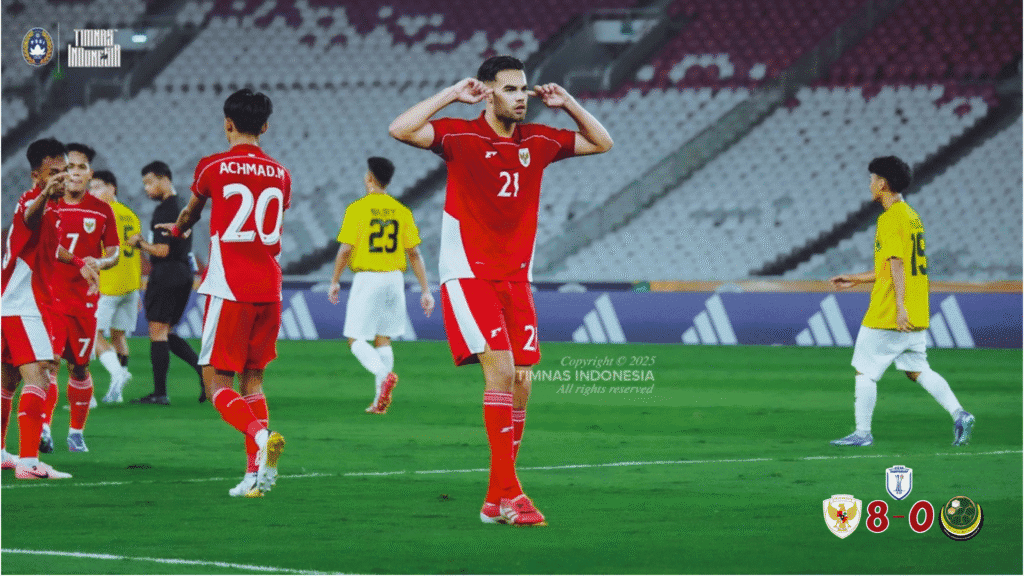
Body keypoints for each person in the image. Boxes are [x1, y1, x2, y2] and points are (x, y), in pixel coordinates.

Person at [389, 55, 613, 525]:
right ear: (487, 92)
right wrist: (452, 94)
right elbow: (401, 129)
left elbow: (602, 142)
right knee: (502, 371)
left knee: (523, 381)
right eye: (509, 89)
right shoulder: (460, 135)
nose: (520, 97)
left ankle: (495, 499)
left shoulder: (538, 140)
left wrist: (569, 103)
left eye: (523, 89)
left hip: (516, 278)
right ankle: (511, 493)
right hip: (469, 273)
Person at [161, 88, 287, 497]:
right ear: (265, 126)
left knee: (216, 383)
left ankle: (260, 437)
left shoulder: (213, 166)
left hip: (230, 286)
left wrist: (178, 229)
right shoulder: (281, 174)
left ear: (227, 124)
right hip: (270, 287)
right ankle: (253, 476)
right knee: (254, 381)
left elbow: (191, 212)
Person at [829, 156, 974, 447]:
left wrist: (900, 308)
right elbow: (893, 266)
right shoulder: (911, 216)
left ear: (883, 183)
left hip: (890, 311)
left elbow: (896, 264)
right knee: (917, 369)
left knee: (865, 370)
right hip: (917, 308)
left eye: (872, 179)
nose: (870, 185)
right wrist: (857, 278)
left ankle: (862, 434)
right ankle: (960, 414)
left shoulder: (890, 218)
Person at [1, 138, 98, 478]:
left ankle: (1, 453)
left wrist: (80, 264)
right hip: (23, 304)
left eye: (65, 170)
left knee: (8, 380)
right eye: (54, 172)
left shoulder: (53, 210)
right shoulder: (32, 201)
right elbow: (30, 218)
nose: (62, 177)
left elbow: (53, 248)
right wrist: (44, 194)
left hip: (13, 303)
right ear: (36, 176)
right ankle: (29, 463)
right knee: (40, 376)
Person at [327, 157, 435, 414]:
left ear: (369, 178)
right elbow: (414, 254)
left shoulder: (358, 209)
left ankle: (383, 375)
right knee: (383, 337)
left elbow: (345, 250)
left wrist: (334, 281)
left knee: (355, 339)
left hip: (369, 278)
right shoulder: (401, 210)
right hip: (394, 279)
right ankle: (379, 401)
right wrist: (425, 290)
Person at [38, 143, 120, 454]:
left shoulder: (102, 210)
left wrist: (100, 262)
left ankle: (76, 432)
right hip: (50, 298)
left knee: (80, 368)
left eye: (81, 167)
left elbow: (113, 253)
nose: (74, 172)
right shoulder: (48, 205)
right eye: (69, 167)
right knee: (49, 365)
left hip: (84, 302)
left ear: (89, 174)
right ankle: (44, 428)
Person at [127, 161, 204, 404]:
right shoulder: (181, 205)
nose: (146, 188)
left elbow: (162, 250)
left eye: (149, 182)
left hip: (167, 272)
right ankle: (203, 372)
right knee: (166, 332)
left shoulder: (166, 210)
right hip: (183, 273)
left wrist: (140, 243)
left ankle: (160, 393)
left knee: (157, 331)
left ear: (164, 179)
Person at [89, 170, 141, 403]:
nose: (93, 192)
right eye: (91, 188)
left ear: (112, 187)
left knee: (93, 335)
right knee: (119, 336)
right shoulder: (130, 214)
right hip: (130, 286)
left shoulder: (101, 213)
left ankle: (118, 373)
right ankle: (116, 393)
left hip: (108, 285)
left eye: (98, 186)